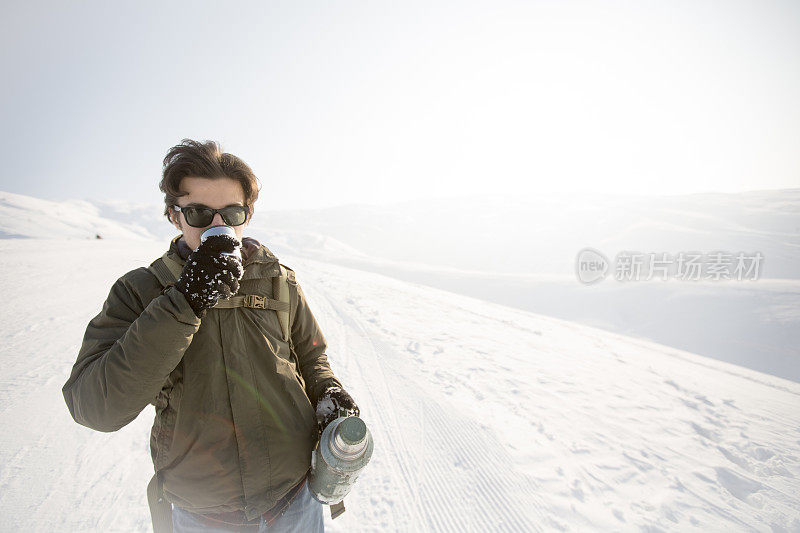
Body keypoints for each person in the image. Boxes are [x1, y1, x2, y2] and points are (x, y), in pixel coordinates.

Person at [62, 139, 360, 532]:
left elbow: (311, 356)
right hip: (206, 515)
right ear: (174, 216)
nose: (218, 226)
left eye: (232, 212)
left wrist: (328, 392)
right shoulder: (141, 291)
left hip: (294, 501)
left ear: (247, 215)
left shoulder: (279, 280)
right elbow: (94, 407)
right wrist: (185, 301)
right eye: (200, 213)